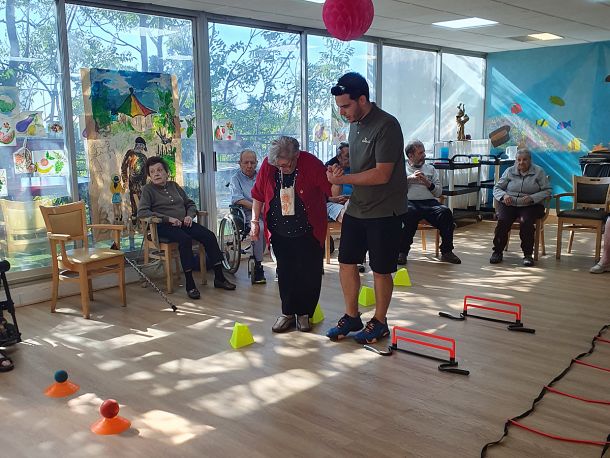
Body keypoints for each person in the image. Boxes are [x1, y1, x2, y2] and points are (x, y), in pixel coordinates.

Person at [326, 72, 407, 344]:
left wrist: (343, 180)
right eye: (339, 107)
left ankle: (380, 322)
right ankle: (352, 316)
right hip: (358, 207)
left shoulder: (387, 125)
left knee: (381, 269)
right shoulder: (355, 124)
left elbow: (382, 174)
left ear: (362, 99)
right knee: (346, 262)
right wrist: (341, 171)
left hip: (385, 209)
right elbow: (361, 164)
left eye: (346, 106)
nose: (342, 113)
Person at [250, 136, 331, 333]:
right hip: (279, 229)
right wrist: (254, 222)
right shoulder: (270, 165)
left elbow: (330, 190)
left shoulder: (311, 164)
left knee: (309, 272)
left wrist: (336, 179)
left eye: (286, 165)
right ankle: (287, 312)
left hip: (309, 229)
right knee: (285, 272)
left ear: (296, 155)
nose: (282, 169)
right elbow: (258, 194)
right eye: (278, 165)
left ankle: (304, 314)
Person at [137, 156, 236, 299]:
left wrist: (189, 215)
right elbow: (142, 212)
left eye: (159, 170)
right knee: (185, 240)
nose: (156, 174)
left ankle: (219, 277)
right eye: (152, 172)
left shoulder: (174, 186)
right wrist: (168, 219)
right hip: (163, 227)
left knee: (209, 235)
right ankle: (190, 284)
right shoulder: (148, 190)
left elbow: (190, 204)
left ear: (166, 172)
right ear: (149, 175)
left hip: (184, 223)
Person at [397, 140, 461, 265]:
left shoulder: (431, 169)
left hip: (430, 203)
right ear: (410, 155)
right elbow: (395, 191)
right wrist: (409, 179)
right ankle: (402, 252)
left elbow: (438, 192)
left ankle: (447, 251)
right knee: (407, 213)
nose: (424, 155)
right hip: (409, 202)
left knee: (445, 212)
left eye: (424, 152)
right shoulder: (401, 169)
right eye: (420, 153)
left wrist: (427, 182)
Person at [490, 148, 551, 266]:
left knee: (526, 222)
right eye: (518, 160)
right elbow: (497, 188)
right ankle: (497, 252)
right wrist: (504, 195)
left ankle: (528, 254)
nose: (521, 162)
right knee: (503, 221)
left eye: (524, 160)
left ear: (530, 160)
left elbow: (547, 191)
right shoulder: (509, 171)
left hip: (530, 205)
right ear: (515, 160)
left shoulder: (539, 171)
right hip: (510, 203)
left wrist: (533, 197)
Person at [229, 149, 266, 284]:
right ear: (239, 163)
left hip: (265, 210)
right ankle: (258, 264)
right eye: (246, 163)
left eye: (252, 162)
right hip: (246, 213)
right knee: (260, 228)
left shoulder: (262, 176)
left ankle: (281, 263)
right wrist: (258, 208)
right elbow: (238, 199)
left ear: (256, 163)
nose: (249, 166)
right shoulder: (235, 179)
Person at [121, 136, 148, 227]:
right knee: (133, 200)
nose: (140, 146)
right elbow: (124, 166)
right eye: (139, 144)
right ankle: (134, 218)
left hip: (141, 183)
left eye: (142, 145)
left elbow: (145, 171)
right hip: (132, 182)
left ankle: (142, 222)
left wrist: (145, 183)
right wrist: (125, 180)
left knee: (142, 201)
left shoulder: (144, 157)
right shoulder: (130, 153)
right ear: (136, 144)